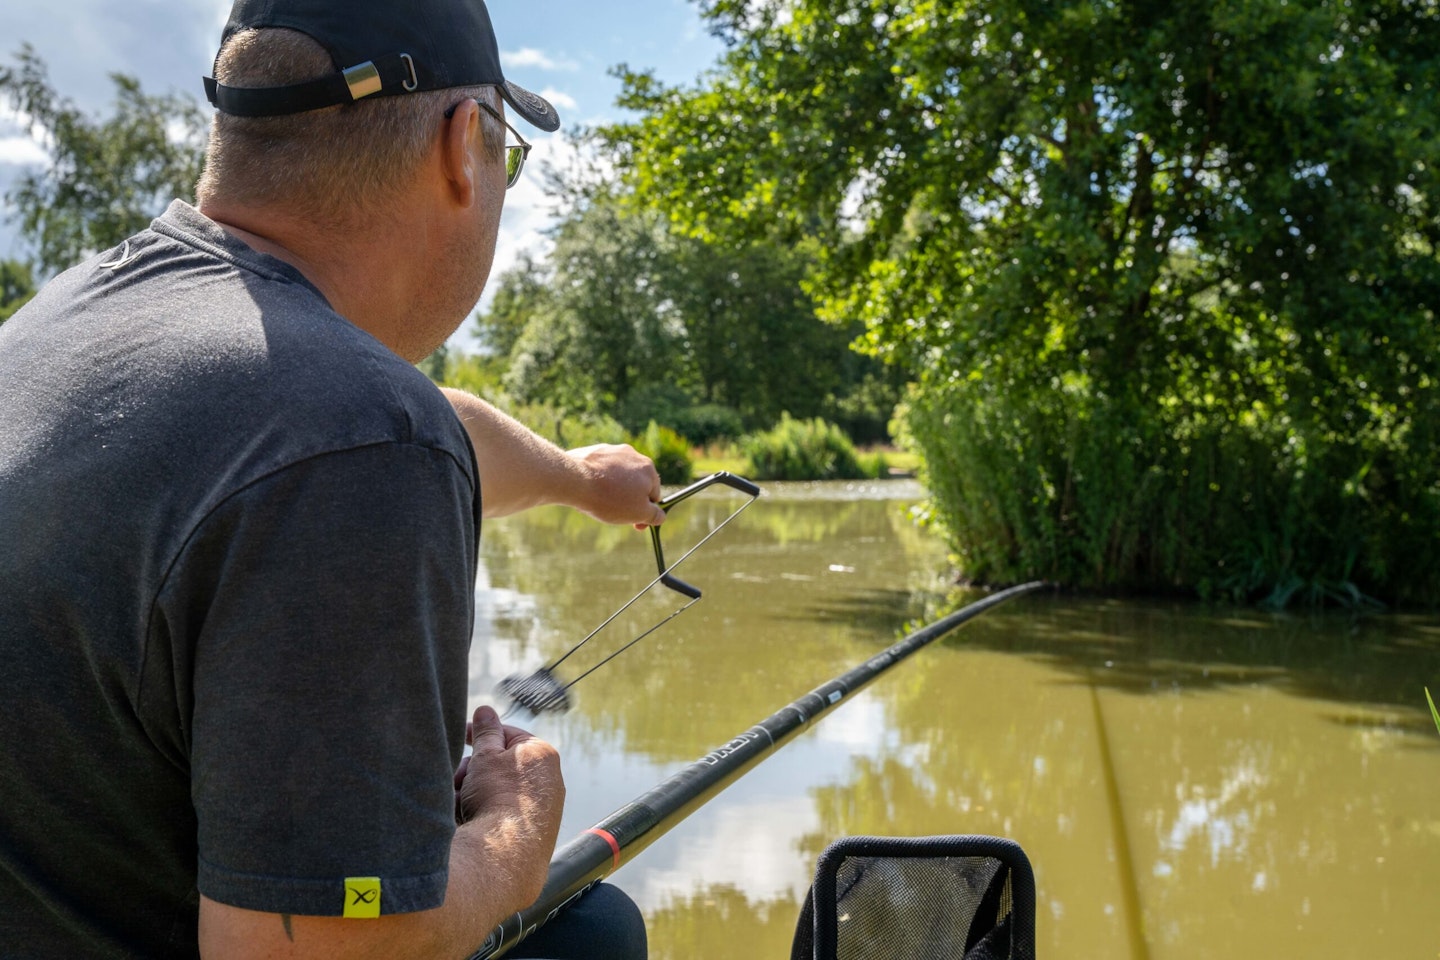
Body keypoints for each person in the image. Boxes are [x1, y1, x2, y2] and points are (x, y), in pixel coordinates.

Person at [0, 1, 655, 957]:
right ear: (462, 145)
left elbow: (421, 429)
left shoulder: (61, 326)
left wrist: (579, 478)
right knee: (590, 934)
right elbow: (318, 949)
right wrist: (511, 835)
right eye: (507, 153)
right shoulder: (357, 436)